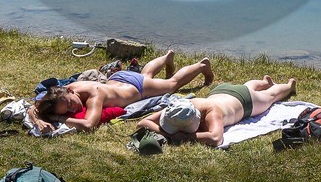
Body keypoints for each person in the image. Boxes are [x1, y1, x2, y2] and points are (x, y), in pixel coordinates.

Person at [28, 50, 213, 133]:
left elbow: (89, 125)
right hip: (118, 79)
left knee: (172, 83)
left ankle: (202, 65)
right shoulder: (69, 90)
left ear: (69, 91)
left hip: (137, 88)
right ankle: (166, 57)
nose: (72, 108)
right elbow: (34, 107)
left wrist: (58, 119)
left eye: (69, 103)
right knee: (145, 73)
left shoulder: (95, 97)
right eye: (67, 110)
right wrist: (38, 119)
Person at [136, 76, 296, 148]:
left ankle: (289, 85)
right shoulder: (179, 108)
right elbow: (142, 122)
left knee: (271, 96)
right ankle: (263, 82)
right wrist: (170, 135)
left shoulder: (212, 113)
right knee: (247, 86)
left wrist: (184, 137)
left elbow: (215, 138)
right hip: (222, 91)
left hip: (246, 100)